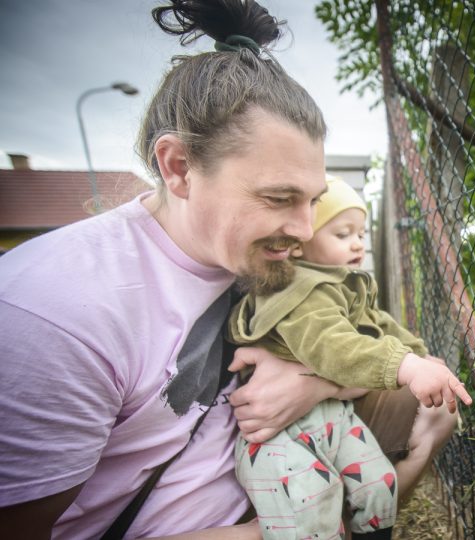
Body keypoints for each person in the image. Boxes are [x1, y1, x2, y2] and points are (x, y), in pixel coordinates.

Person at [0, 1, 375, 538]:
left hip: (284, 482)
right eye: (277, 197)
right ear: (178, 167)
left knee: (425, 410)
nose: (302, 228)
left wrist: (314, 381)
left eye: (313, 200)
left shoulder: (258, 254)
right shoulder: (55, 312)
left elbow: (377, 347)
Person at [227, 177, 472, 539]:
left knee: (377, 483)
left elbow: (379, 326)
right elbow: (336, 346)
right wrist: (405, 367)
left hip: (333, 419)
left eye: (361, 233)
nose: (358, 243)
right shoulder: (300, 292)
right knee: (313, 504)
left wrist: (421, 357)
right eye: (343, 234)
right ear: (298, 245)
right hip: (283, 435)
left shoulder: (341, 284)